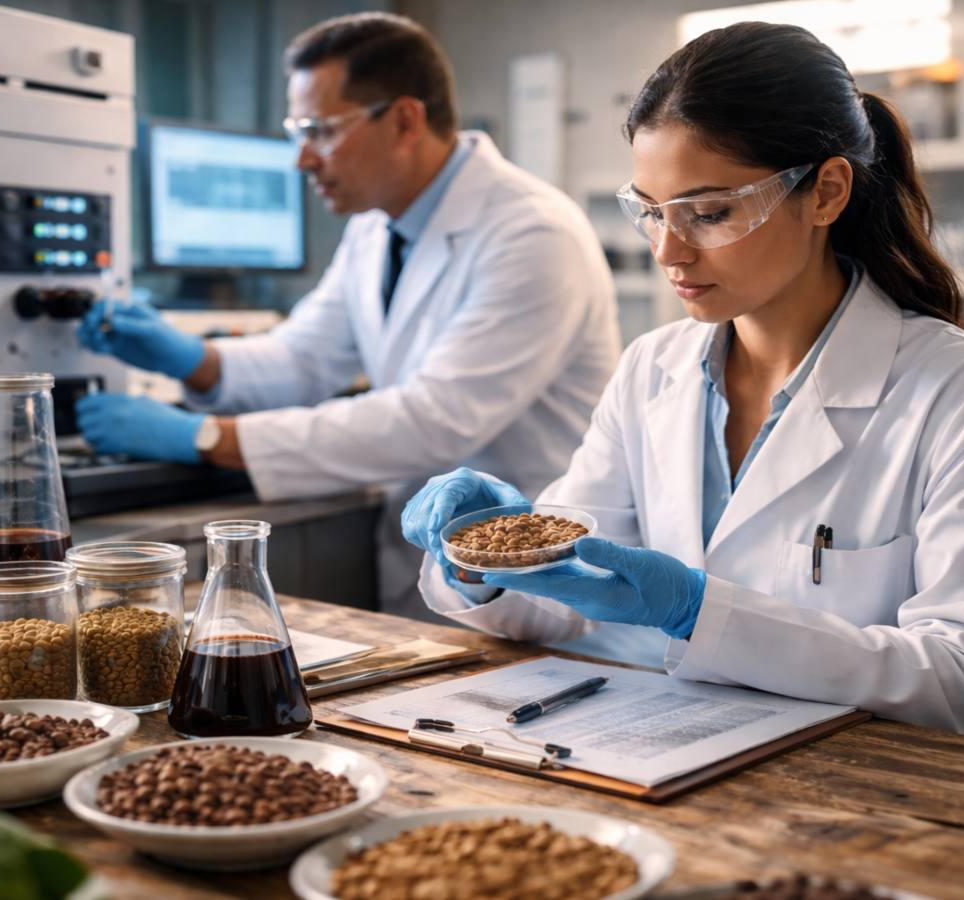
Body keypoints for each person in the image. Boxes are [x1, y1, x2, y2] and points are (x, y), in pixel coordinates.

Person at [401, 22, 964, 745]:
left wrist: (701, 613)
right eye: (650, 211)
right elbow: (567, 604)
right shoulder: (653, 369)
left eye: (708, 213)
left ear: (826, 192)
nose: (669, 251)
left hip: (855, 800)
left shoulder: (963, 393)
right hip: (650, 760)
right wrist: (487, 562)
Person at [74, 12, 621, 618]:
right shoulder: (375, 225)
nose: (302, 160)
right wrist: (192, 359)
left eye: (321, 131)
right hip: (438, 571)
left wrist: (203, 437)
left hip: (536, 582)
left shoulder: (532, 233)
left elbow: (436, 420)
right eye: (297, 132)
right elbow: (305, 356)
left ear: (405, 120)